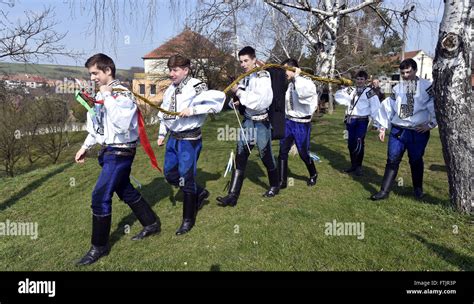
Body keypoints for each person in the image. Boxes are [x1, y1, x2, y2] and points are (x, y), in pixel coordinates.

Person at [75, 53, 161, 266]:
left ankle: (99, 247)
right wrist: (85, 147)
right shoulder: (102, 95)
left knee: (100, 196)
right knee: (126, 190)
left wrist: (106, 96)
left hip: (120, 153)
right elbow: (98, 126)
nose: (93, 77)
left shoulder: (122, 94)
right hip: (107, 152)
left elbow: (122, 123)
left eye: (95, 73)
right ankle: (151, 223)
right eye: (91, 74)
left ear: (108, 71)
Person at [157, 54, 225, 235]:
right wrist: (162, 133)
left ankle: (188, 219)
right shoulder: (171, 89)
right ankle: (200, 193)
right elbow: (164, 111)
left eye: (175, 70)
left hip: (189, 140)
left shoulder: (196, 85)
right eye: (170, 70)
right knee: (170, 174)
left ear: (186, 70)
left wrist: (193, 110)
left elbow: (216, 103)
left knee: (186, 177)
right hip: (173, 138)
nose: (171, 74)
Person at [216, 46, 279, 207]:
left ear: (253, 59)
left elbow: (261, 102)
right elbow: (244, 94)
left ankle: (274, 185)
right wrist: (236, 101)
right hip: (248, 121)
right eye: (241, 61)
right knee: (240, 155)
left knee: (265, 156)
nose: (243, 64)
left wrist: (239, 93)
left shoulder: (263, 76)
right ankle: (232, 196)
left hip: (261, 123)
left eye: (246, 61)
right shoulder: (246, 76)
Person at [371, 58, 436, 200]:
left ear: (415, 70)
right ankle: (384, 191)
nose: (405, 75)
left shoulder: (427, 86)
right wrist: (382, 127)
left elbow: (435, 106)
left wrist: (431, 124)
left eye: (408, 72)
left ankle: (418, 189)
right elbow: (388, 107)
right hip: (398, 130)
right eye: (402, 73)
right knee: (392, 159)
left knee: (416, 160)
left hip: (417, 131)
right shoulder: (397, 88)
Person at [278, 58, 319, 189]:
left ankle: (313, 173)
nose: (284, 73)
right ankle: (282, 180)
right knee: (282, 150)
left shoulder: (307, 82)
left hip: (302, 124)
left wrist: (298, 77)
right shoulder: (289, 84)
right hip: (288, 122)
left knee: (303, 153)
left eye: (286, 70)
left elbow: (304, 97)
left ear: (293, 69)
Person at [334, 70, 381, 176]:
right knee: (351, 143)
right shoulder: (351, 89)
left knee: (359, 142)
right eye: (358, 79)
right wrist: (342, 88)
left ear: (365, 80)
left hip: (362, 120)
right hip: (350, 120)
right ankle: (353, 165)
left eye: (362, 79)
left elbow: (376, 106)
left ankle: (359, 166)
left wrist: (376, 123)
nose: (359, 81)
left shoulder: (369, 91)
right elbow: (339, 98)